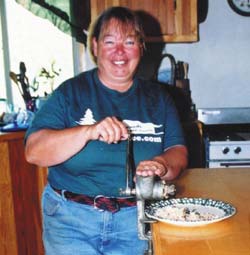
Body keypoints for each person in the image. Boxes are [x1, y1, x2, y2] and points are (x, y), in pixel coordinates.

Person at [25, 6, 188, 255]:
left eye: (129, 41)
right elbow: (34, 152)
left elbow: (177, 151)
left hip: (134, 221)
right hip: (70, 222)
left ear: (141, 47)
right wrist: (88, 131)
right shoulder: (70, 93)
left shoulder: (159, 99)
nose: (119, 52)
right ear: (95, 46)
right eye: (109, 41)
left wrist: (160, 164)